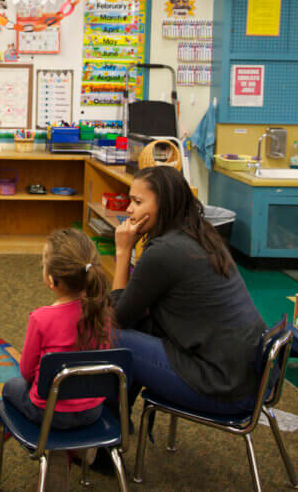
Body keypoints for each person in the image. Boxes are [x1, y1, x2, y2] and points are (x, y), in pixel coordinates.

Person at [112, 165, 266, 414]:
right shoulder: (201, 233)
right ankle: (114, 428)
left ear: (165, 204)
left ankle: (106, 435)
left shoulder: (165, 252)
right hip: (248, 378)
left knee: (106, 335)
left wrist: (123, 251)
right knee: (140, 324)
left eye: (137, 202)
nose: (129, 209)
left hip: (223, 387)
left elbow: (116, 318)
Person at [2, 229, 112, 429]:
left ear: (51, 280)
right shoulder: (102, 311)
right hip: (92, 410)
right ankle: (79, 448)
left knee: (11, 387)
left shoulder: (41, 318)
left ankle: (53, 448)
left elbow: (27, 371)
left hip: (50, 412)